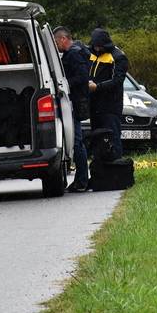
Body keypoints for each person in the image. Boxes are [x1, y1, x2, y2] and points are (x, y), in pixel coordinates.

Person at [53, 26, 92, 192]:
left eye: (56, 41)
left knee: (76, 142)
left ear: (63, 39)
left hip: (75, 103)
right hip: (76, 102)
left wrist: (65, 84)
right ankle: (81, 179)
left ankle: (82, 180)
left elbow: (82, 77)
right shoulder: (76, 51)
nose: (55, 45)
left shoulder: (74, 54)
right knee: (77, 141)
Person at [87, 27, 128, 159]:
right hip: (94, 105)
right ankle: (100, 169)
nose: (97, 49)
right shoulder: (91, 53)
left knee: (112, 137)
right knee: (97, 138)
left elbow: (117, 81)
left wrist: (97, 87)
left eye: (100, 46)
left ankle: (117, 167)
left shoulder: (117, 57)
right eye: (95, 46)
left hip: (111, 106)